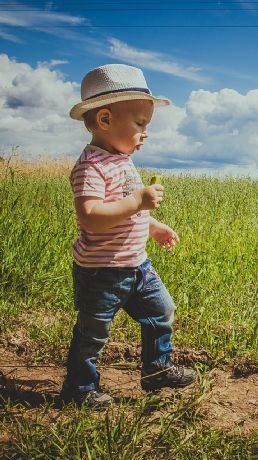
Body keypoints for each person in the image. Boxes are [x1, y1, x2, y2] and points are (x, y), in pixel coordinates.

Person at [59, 64, 197, 409]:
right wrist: (138, 199)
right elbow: (89, 217)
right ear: (105, 119)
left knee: (162, 312)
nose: (145, 134)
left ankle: (157, 370)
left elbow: (127, 213)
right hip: (101, 272)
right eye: (139, 124)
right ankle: (79, 389)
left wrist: (153, 225)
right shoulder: (91, 166)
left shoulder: (122, 161)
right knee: (93, 334)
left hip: (138, 266)